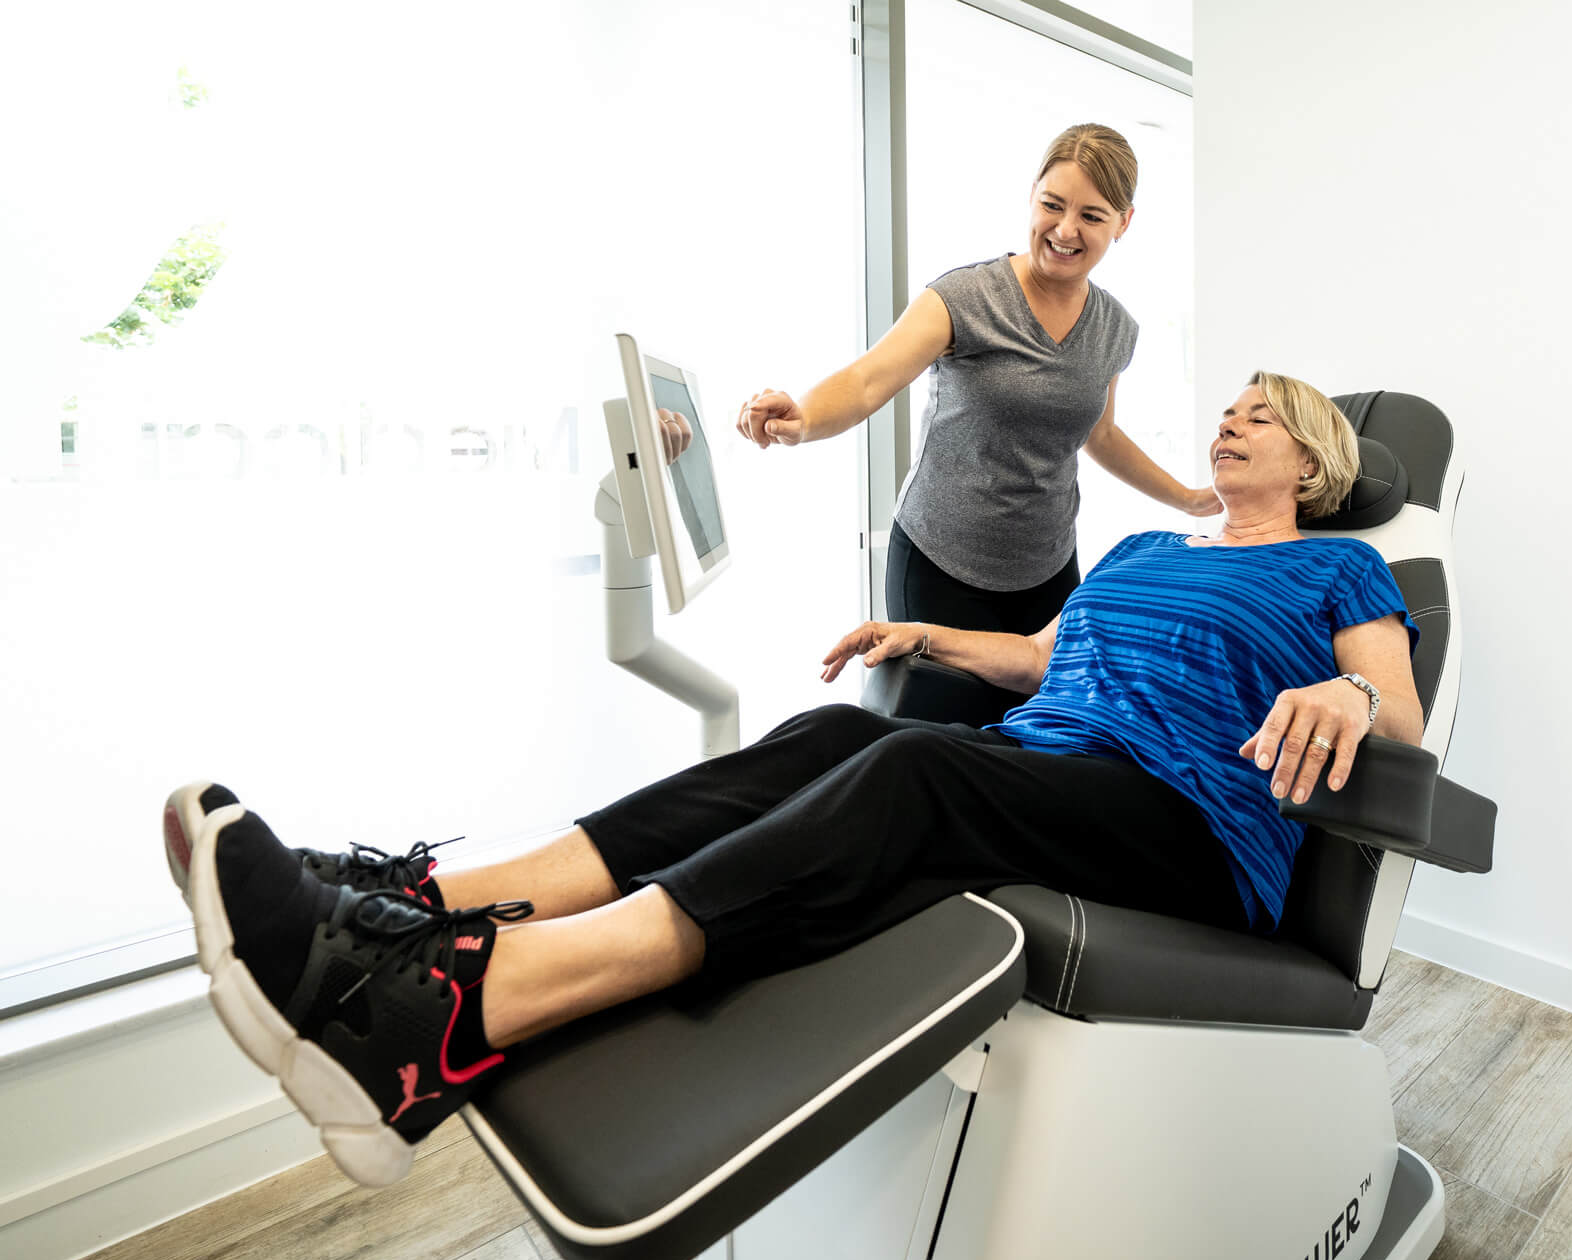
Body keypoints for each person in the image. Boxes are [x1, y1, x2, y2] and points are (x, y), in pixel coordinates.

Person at [164, 371, 1421, 1189]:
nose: (1230, 419)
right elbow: (1046, 656)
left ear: (1307, 462)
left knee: (919, 770)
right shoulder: (1149, 543)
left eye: (1259, 413)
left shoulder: (1339, 573)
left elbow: (1401, 712)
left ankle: (450, 1013)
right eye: (1233, 405)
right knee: (833, 738)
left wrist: (1348, 692)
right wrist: (921, 636)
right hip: (1054, 767)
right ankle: (436, 894)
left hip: (1190, 825)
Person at [734, 123, 1220, 634]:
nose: (1065, 230)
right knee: (934, 718)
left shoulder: (1116, 328)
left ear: (1123, 223)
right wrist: (804, 415)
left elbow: (1099, 433)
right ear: (1032, 195)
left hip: (1048, 569)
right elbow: (867, 380)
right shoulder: (966, 297)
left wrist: (1188, 499)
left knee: (1036, 715)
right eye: (1053, 205)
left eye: (1091, 216)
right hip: (939, 564)